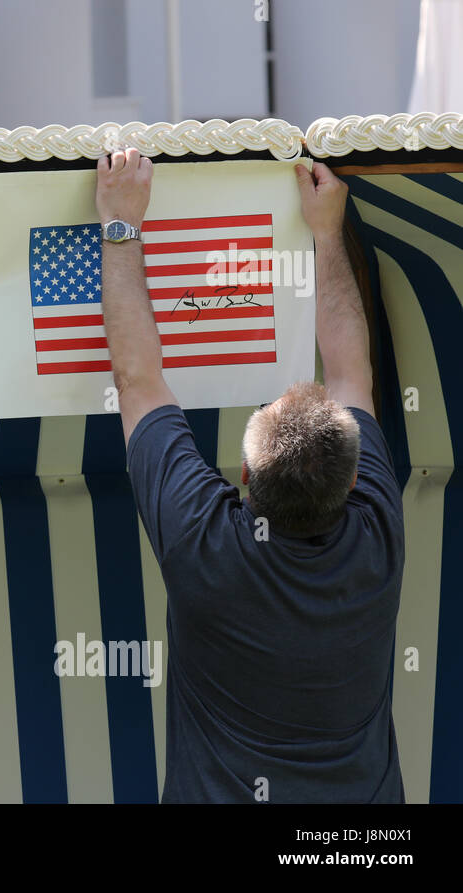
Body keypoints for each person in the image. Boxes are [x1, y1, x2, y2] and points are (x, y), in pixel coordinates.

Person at [97, 150, 405, 802]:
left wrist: (121, 223)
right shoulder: (374, 533)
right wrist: (328, 232)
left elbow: (136, 377)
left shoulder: (205, 546)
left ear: (243, 474)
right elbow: (351, 368)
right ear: (351, 482)